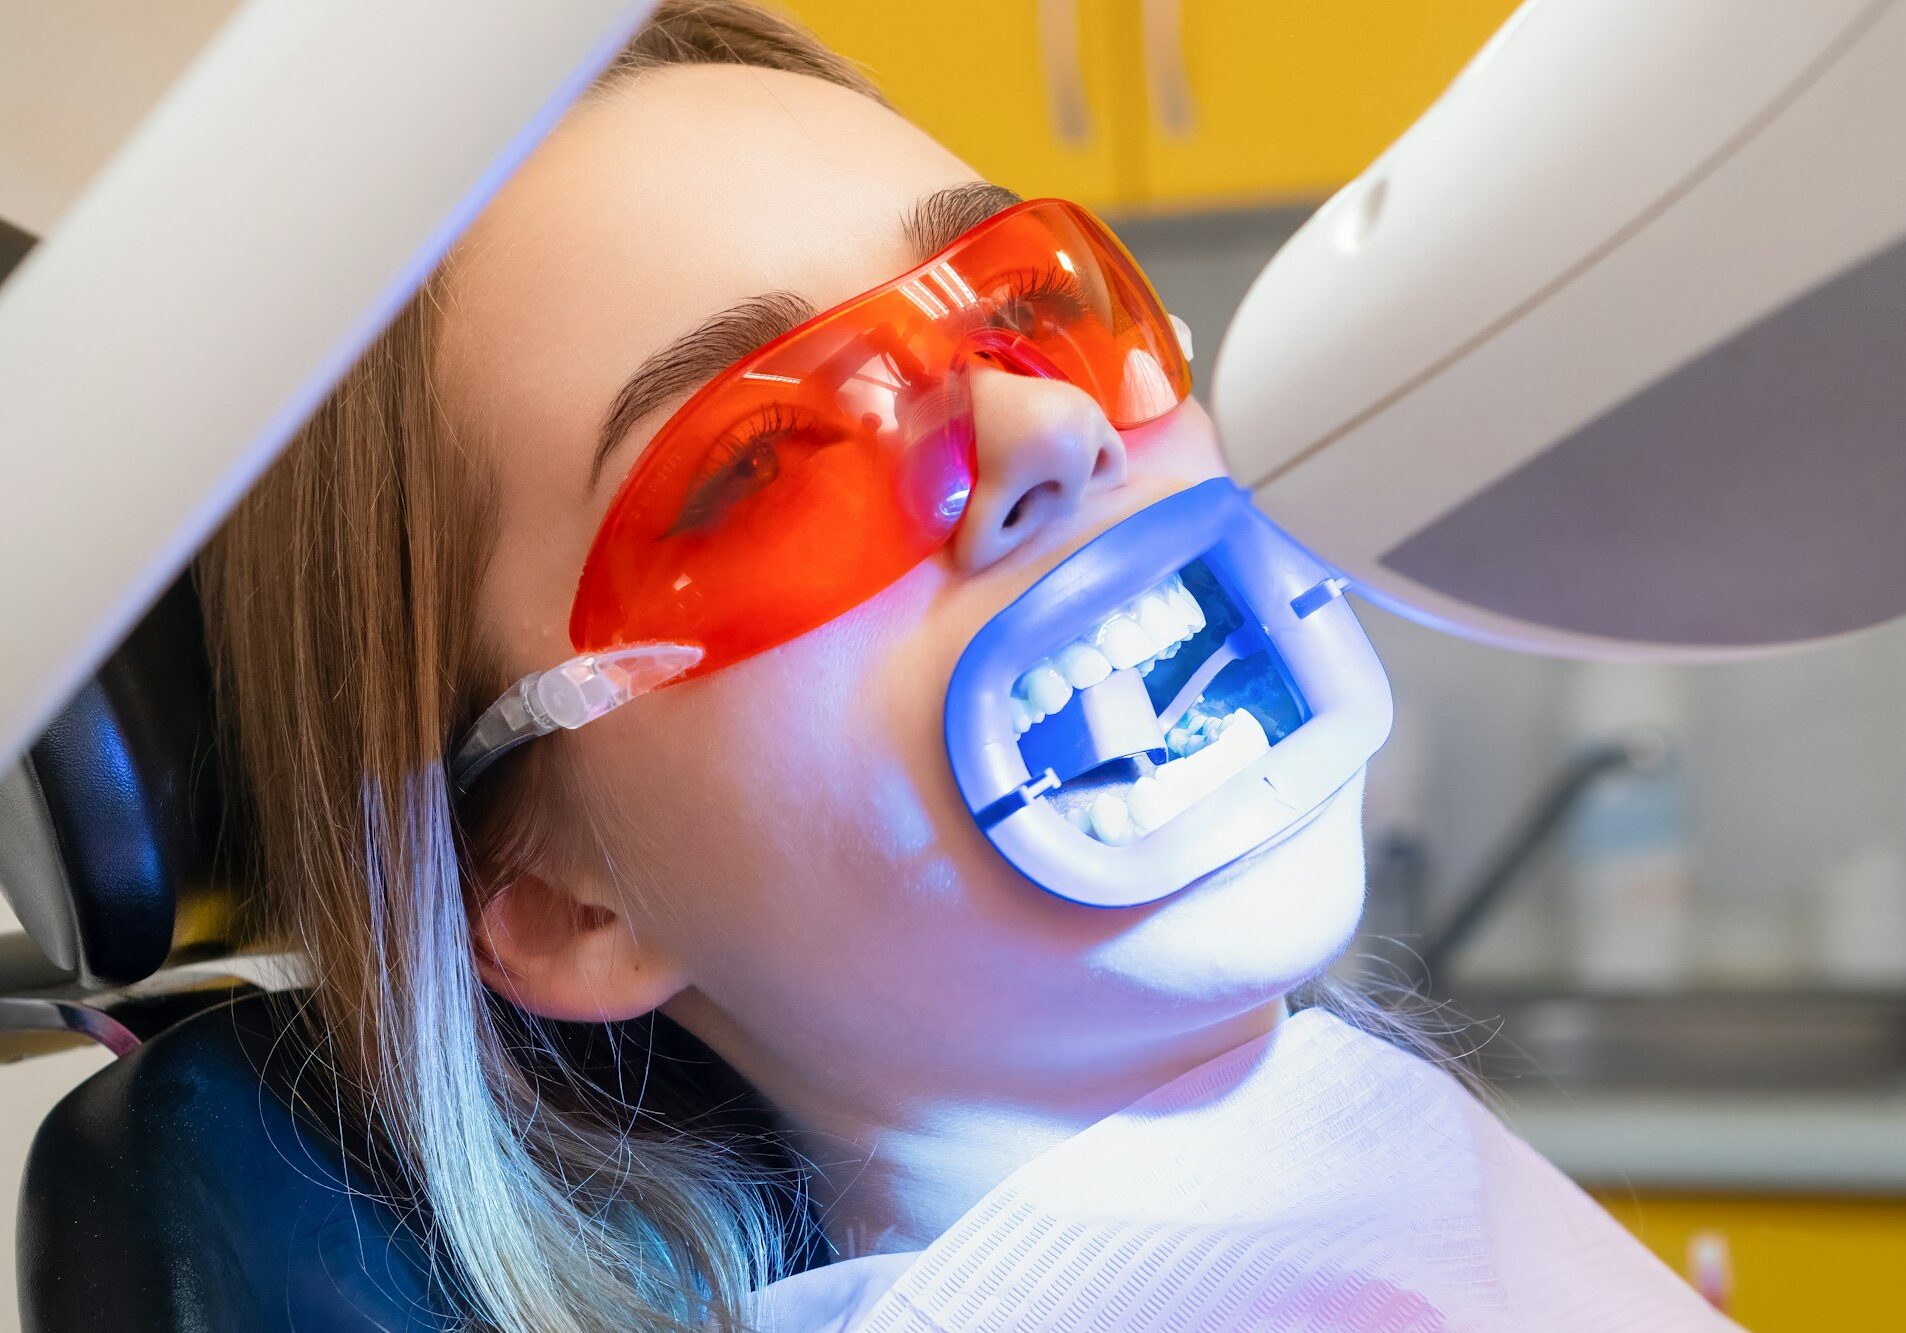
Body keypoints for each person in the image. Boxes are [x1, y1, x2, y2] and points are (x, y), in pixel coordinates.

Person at [199, 4, 1735, 1330]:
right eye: (759, 463)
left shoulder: (1311, 1167)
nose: (1045, 432)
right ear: (557, 895)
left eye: (1032, 305)